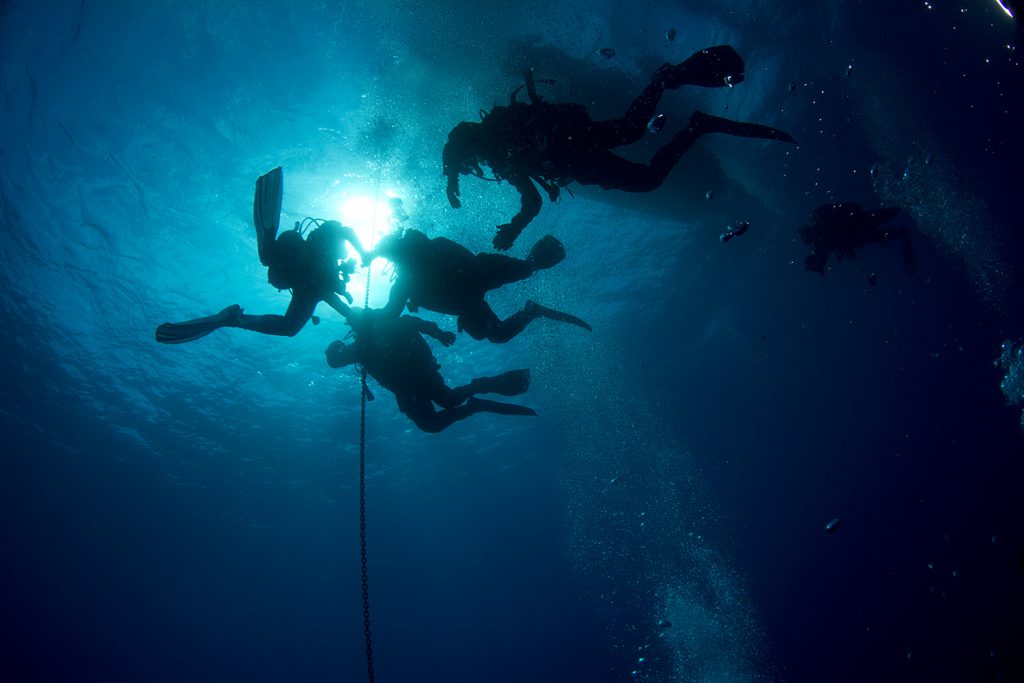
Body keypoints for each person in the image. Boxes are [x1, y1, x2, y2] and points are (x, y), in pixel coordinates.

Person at [442, 45, 797, 250]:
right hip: (571, 139)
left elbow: (532, 200)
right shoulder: (499, 142)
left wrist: (514, 228)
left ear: (471, 152)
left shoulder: (500, 152)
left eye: (469, 165)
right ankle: (664, 82)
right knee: (631, 129)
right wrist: (453, 179)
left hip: (574, 156)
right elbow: (528, 192)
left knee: (646, 178)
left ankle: (696, 125)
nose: (477, 168)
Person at [156, 167, 369, 343]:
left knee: (290, 327)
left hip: (298, 279)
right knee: (279, 269)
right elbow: (346, 234)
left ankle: (236, 319)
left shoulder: (327, 269)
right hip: (295, 263)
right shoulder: (327, 236)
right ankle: (269, 249)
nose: (344, 256)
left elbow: (325, 290)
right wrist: (364, 253)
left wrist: (346, 297)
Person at [325, 307, 537, 433]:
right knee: (432, 424)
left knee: (450, 402)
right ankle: (475, 403)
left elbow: (411, 322)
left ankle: (479, 390)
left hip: (420, 376)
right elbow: (335, 361)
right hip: (407, 390)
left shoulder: (383, 327)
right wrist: (334, 349)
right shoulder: (359, 348)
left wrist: (438, 333)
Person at [365, 228, 591, 342]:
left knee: (527, 268)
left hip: (476, 279)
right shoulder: (407, 282)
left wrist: (365, 317)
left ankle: (532, 303)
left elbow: (390, 312)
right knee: (498, 335)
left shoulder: (409, 279)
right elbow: (390, 312)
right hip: (472, 292)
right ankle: (532, 310)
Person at [800, 202, 915, 278]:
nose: (813, 238)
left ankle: (906, 203)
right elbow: (822, 257)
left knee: (884, 217)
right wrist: (818, 266)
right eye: (809, 240)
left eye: (810, 235)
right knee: (882, 235)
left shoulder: (821, 220)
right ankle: (901, 227)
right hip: (858, 234)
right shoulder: (820, 244)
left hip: (857, 223)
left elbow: (838, 211)